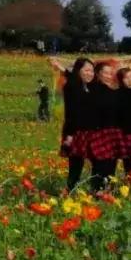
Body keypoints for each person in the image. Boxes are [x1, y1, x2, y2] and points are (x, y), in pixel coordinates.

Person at [53, 57, 93, 193]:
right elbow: (71, 112)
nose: (90, 73)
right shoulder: (72, 87)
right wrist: (70, 135)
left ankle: (91, 188)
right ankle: (71, 190)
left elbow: (70, 74)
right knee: (76, 163)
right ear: (78, 71)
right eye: (86, 70)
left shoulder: (87, 85)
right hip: (76, 130)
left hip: (88, 130)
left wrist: (61, 67)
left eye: (92, 71)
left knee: (92, 161)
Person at [85, 62, 123, 193]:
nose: (108, 76)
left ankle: (108, 192)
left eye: (111, 73)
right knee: (99, 164)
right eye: (105, 73)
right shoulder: (91, 89)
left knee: (111, 164)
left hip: (114, 132)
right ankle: (96, 191)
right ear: (98, 74)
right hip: (98, 132)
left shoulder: (115, 92)